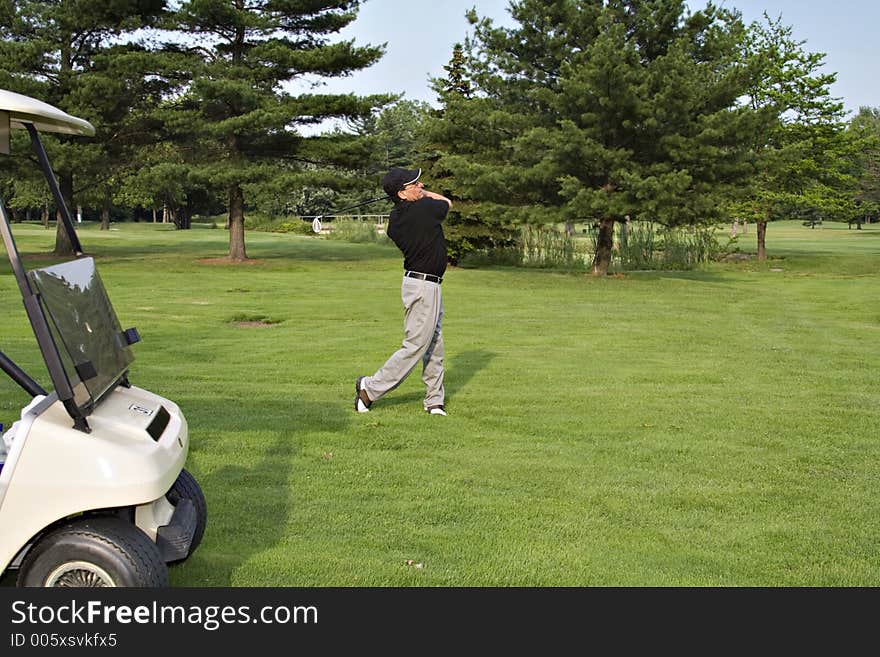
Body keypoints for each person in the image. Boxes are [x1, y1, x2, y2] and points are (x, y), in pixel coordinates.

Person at [355, 167, 452, 416]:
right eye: (415, 184)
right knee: (416, 345)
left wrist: (413, 193)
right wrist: (427, 192)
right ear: (402, 192)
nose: (421, 186)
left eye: (420, 182)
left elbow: (416, 205)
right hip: (423, 286)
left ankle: (434, 401)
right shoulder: (423, 209)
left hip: (423, 284)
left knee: (434, 344)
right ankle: (370, 388)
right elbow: (446, 203)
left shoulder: (396, 219)